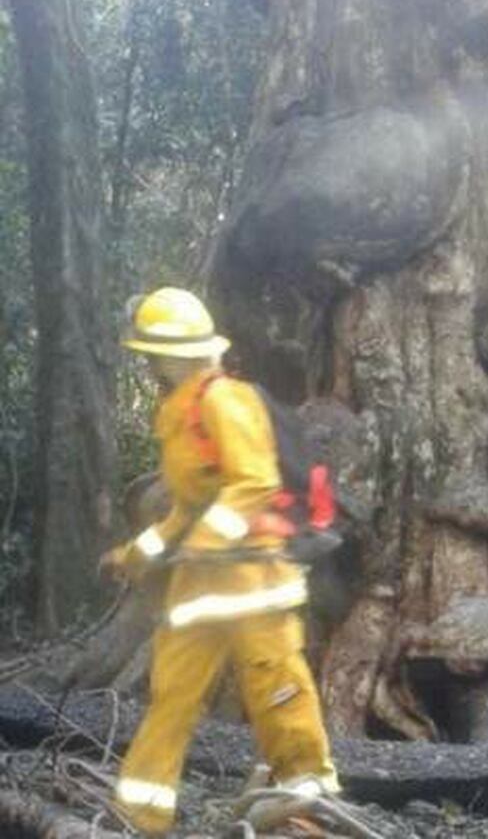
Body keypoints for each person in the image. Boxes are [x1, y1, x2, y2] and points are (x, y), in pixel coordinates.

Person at [102, 287, 338, 835]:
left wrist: (208, 542)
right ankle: (138, 813)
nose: (148, 365)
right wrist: (135, 556)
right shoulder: (177, 412)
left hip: (256, 581)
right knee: (171, 698)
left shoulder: (225, 399)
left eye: (151, 355)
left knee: (278, 690)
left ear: (175, 353)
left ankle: (308, 806)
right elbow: (186, 509)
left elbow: (253, 482)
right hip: (199, 594)